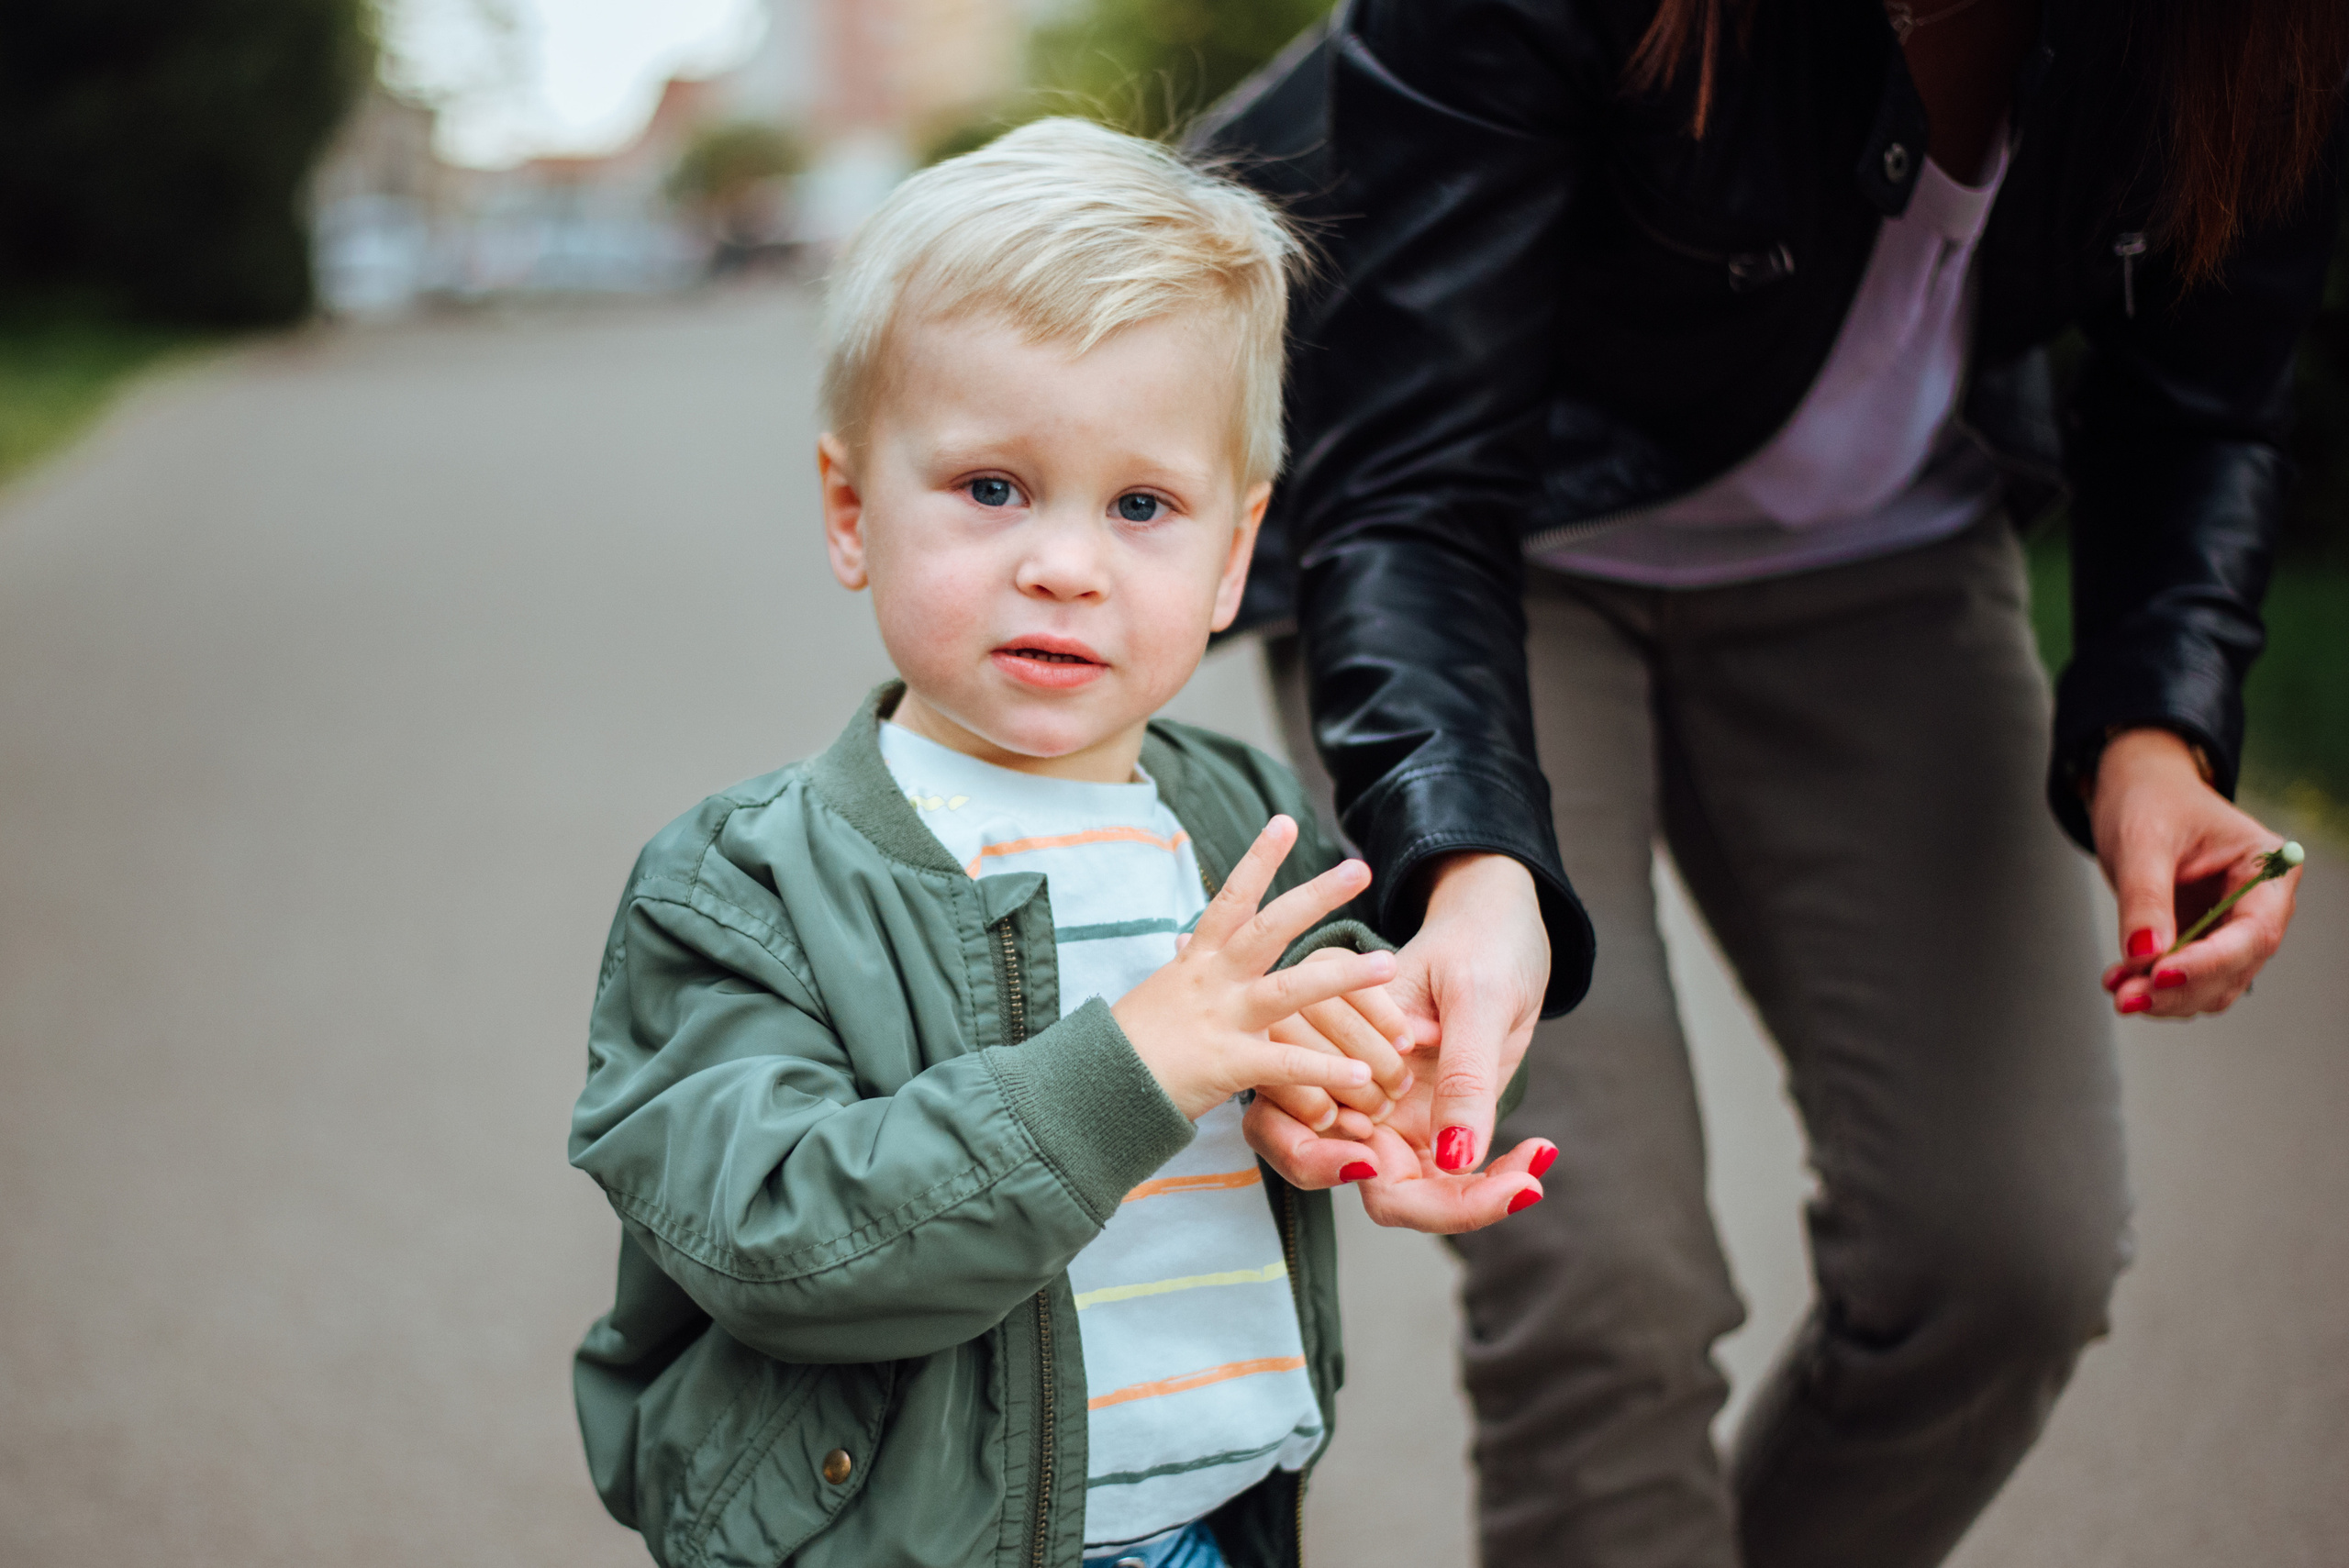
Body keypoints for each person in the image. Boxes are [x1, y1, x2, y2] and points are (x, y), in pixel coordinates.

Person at [1205, 2, 2337, 1564]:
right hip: (1485, 552)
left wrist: (2158, 727)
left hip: (1882, 561)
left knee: (2009, 1255)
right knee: (1598, 1276)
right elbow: (1408, 485)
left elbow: (2203, 398)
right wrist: (1469, 859)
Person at [564, 119, 1547, 1568]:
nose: (1066, 564)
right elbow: (774, 1240)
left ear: (1233, 555)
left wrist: (1370, 1084)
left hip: (1219, 1525)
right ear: (851, 508)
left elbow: (1313, 1045)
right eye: (992, 488)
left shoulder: (1245, 824)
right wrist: (1129, 1069)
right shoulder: (749, 883)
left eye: (1143, 506)